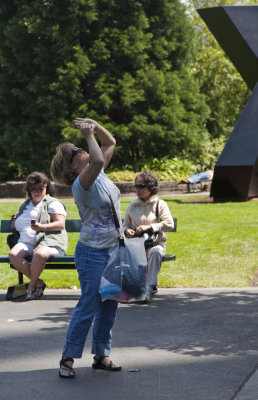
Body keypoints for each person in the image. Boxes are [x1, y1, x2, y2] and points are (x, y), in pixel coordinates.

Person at [50, 117, 122, 379]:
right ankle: (67, 358)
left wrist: (96, 125)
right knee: (89, 303)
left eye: (79, 148)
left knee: (110, 304)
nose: (81, 150)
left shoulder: (98, 173)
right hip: (92, 253)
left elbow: (110, 142)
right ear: (71, 168)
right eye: (75, 152)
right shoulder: (82, 184)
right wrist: (88, 135)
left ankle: (101, 355)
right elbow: (100, 158)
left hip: (113, 250)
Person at [9, 172, 68, 301]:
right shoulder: (26, 204)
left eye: (39, 189)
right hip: (27, 243)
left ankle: (31, 286)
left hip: (50, 242)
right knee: (13, 255)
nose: (36, 192)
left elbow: (61, 224)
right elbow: (17, 215)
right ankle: (38, 283)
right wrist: (14, 220)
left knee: (39, 254)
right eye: (33, 189)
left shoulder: (52, 203)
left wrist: (42, 227)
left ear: (46, 187)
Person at [123, 170, 174, 303]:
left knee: (155, 251)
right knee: (121, 252)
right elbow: (125, 225)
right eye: (136, 186)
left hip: (155, 244)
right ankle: (129, 289)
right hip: (136, 245)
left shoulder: (160, 204)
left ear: (151, 187)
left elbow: (169, 224)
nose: (138, 189)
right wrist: (127, 231)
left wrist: (151, 227)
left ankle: (149, 287)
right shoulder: (132, 206)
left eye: (142, 186)